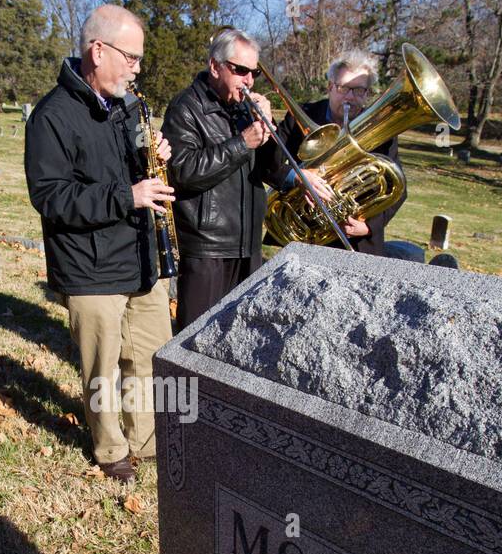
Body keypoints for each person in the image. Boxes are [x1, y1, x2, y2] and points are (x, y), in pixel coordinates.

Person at [24, 4, 174, 484]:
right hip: (88, 267)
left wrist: (153, 157)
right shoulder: (51, 116)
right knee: (101, 371)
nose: (136, 68)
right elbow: (49, 196)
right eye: (130, 57)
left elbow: (130, 171)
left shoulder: (128, 107)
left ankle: (148, 441)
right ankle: (111, 449)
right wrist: (126, 195)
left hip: (138, 258)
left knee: (151, 359)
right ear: (97, 50)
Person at [161, 27, 295, 331]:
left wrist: (269, 130)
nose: (248, 80)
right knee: (194, 337)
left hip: (247, 244)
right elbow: (181, 172)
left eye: (254, 73)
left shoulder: (245, 110)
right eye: (240, 70)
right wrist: (242, 143)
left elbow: (271, 171)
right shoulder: (185, 108)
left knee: (238, 335)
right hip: (207, 247)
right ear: (215, 66)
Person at [275, 49, 405, 257]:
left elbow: (398, 187)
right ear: (330, 87)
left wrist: (370, 226)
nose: (350, 97)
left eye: (359, 90)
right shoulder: (301, 116)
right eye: (344, 88)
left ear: (368, 93)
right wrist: (298, 176)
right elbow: (272, 161)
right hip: (305, 235)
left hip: (357, 241)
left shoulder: (382, 128)